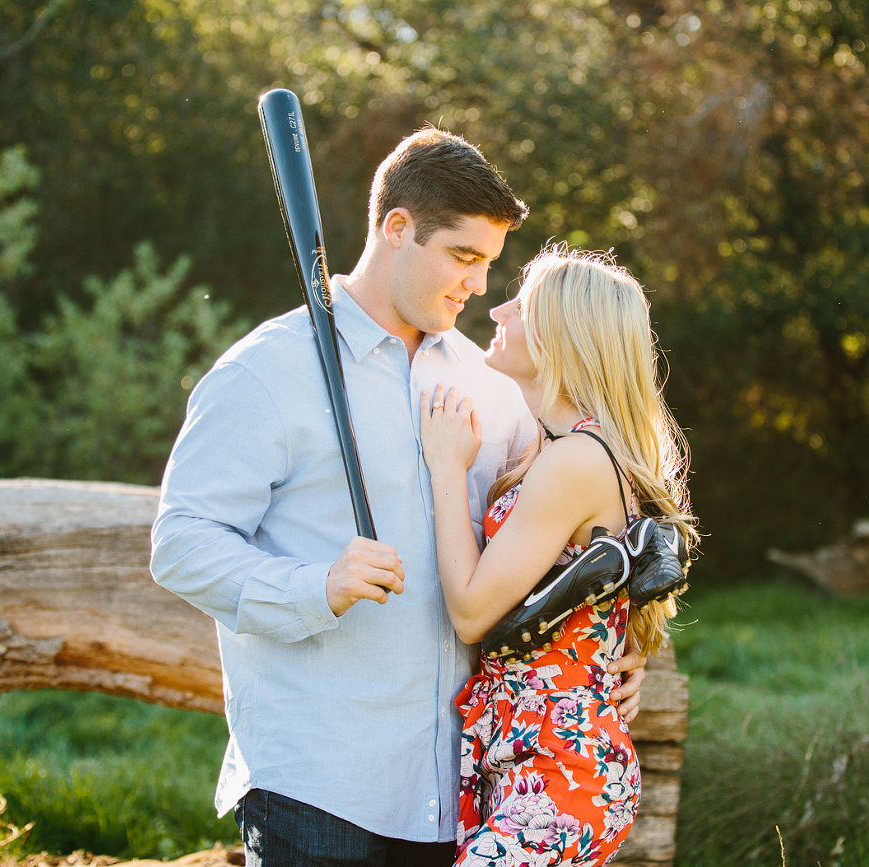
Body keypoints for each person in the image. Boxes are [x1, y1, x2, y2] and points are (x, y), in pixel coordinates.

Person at [150, 129, 648, 867]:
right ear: (397, 229)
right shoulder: (267, 371)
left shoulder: (491, 385)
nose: (478, 285)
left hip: (461, 785)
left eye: (488, 264)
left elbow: (567, 534)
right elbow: (181, 542)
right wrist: (313, 585)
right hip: (321, 779)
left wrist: (623, 643)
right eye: (464, 257)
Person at [419, 246, 697, 866]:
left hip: (557, 772)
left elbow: (470, 613)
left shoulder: (575, 461)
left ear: (563, 335)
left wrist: (445, 469)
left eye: (523, 303)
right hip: (528, 757)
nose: (499, 307)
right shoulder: (564, 449)